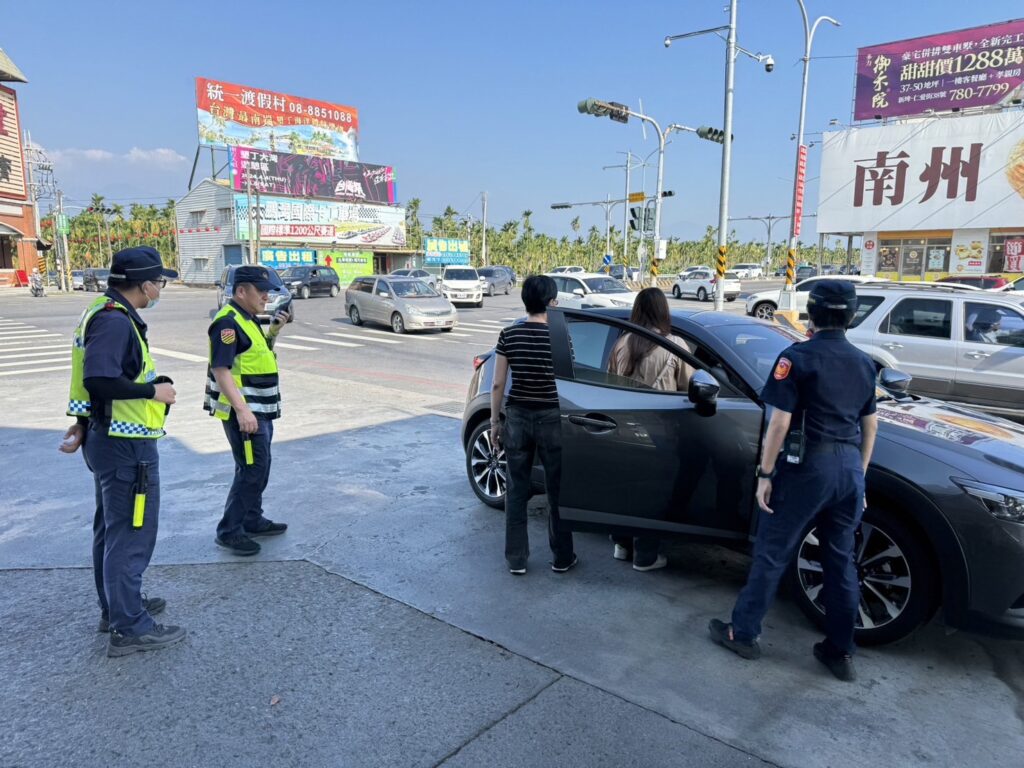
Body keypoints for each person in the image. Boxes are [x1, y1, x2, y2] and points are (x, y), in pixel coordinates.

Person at [708, 280, 878, 682]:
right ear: (851, 317)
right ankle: (840, 652)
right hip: (850, 469)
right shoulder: (864, 362)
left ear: (812, 313)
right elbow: (870, 427)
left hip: (807, 469)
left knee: (772, 552)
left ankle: (743, 633)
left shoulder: (796, 358)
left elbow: (780, 423)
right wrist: (860, 477)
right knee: (840, 562)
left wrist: (765, 474)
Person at [60, 246, 186, 657]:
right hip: (125, 445)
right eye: (159, 281)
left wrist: (81, 424)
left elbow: (89, 381)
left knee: (113, 531)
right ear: (145, 284)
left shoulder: (101, 309)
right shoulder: (115, 322)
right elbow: (99, 379)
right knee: (131, 534)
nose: (160, 288)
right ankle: (129, 626)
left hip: (107, 437)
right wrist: (155, 391)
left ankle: (116, 607)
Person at [491, 275, 576, 575]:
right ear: (552, 303)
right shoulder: (560, 336)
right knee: (557, 490)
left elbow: (498, 383)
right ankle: (562, 557)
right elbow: (571, 384)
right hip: (552, 418)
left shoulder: (508, 335)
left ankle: (517, 559)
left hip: (517, 417)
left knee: (516, 489)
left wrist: (494, 424)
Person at [205, 266, 292, 556]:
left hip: (259, 410)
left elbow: (256, 353)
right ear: (241, 291)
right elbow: (221, 369)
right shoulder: (227, 324)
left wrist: (275, 331)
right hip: (245, 413)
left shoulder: (247, 319)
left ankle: (252, 519)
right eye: (261, 291)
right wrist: (242, 411)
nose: (266, 297)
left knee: (259, 468)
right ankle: (229, 530)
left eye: (268, 291)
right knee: (252, 470)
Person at [607, 287, 694, 571]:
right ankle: (645, 555)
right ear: (662, 311)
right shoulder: (675, 345)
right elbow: (689, 388)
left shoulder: (622, 344)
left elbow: (608, 383)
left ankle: (622, 544)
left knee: (625, 488)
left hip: (622, 428)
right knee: (653, 492)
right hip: (659, 432)